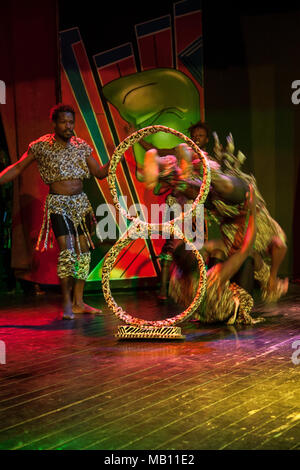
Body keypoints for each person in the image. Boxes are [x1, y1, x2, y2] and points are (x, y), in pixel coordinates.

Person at [0, 104, 110, 319]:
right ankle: (67, 303)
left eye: (71, 122)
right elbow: (18, 168)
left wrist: (115, 157)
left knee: (85, 254)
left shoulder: (80, 145)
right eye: (64, 122)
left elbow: (99, 173)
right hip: (59, 203)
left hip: (81, 203)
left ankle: (79, 301)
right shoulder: (42, 146)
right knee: (68, 254)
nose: (68, 126)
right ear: (55, 124)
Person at [169, 185, 264, 325]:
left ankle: (213, 303)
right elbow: (246, 247)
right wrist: (252, 211)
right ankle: (242, 311)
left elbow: (186, 249)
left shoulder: (175, 281)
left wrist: (180, 200)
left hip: (204, 313)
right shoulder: (214, 276)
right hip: (227, 313)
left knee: (218, 252)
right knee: (248, 257)